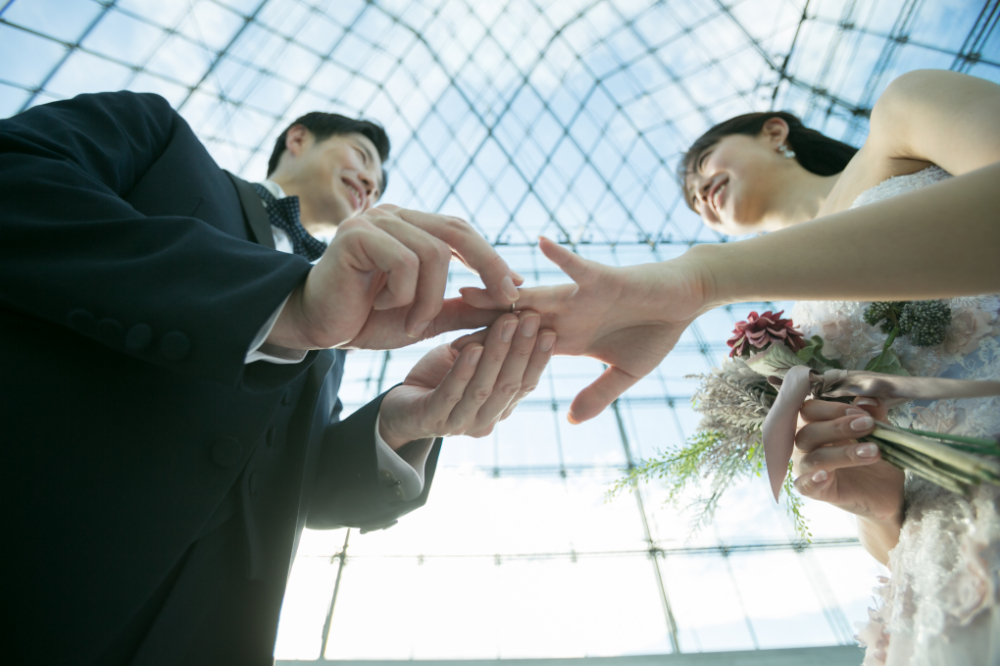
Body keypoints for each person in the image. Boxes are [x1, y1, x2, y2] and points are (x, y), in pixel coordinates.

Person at [457, 69, 1000, 664]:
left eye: (706, 162)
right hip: (948, 575)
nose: (700, 191)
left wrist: (702, 277)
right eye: (694, 201)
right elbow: (889, 540)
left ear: (774, 132)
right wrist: (877, 505)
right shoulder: (791, 338)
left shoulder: (901, 115)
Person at [0, 91, 553, 665]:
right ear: (297, 138)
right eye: (362, 155)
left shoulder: (334, 336)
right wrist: (283, 306)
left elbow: (299, 485)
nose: (371, 181)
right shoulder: (158, 136)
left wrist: (402, 421)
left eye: (381, 183)